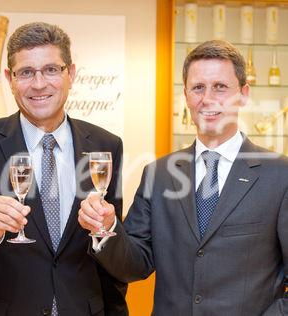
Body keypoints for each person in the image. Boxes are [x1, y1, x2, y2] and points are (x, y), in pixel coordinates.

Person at [79, 40, 288, 315]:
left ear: (244, 94)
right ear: (186, 96)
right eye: (198, 87)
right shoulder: (159, 174)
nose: (208, 98)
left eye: (220, 87)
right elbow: (135, 265)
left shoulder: (280, 175)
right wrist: (105, 229)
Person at [0, 22, 128, 315]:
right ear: (9, 79)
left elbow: (109, 253)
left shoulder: (106, 146)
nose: (39, 84)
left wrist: (106, 228)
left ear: (71, 74)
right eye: (26, 72)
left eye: (52, 70)